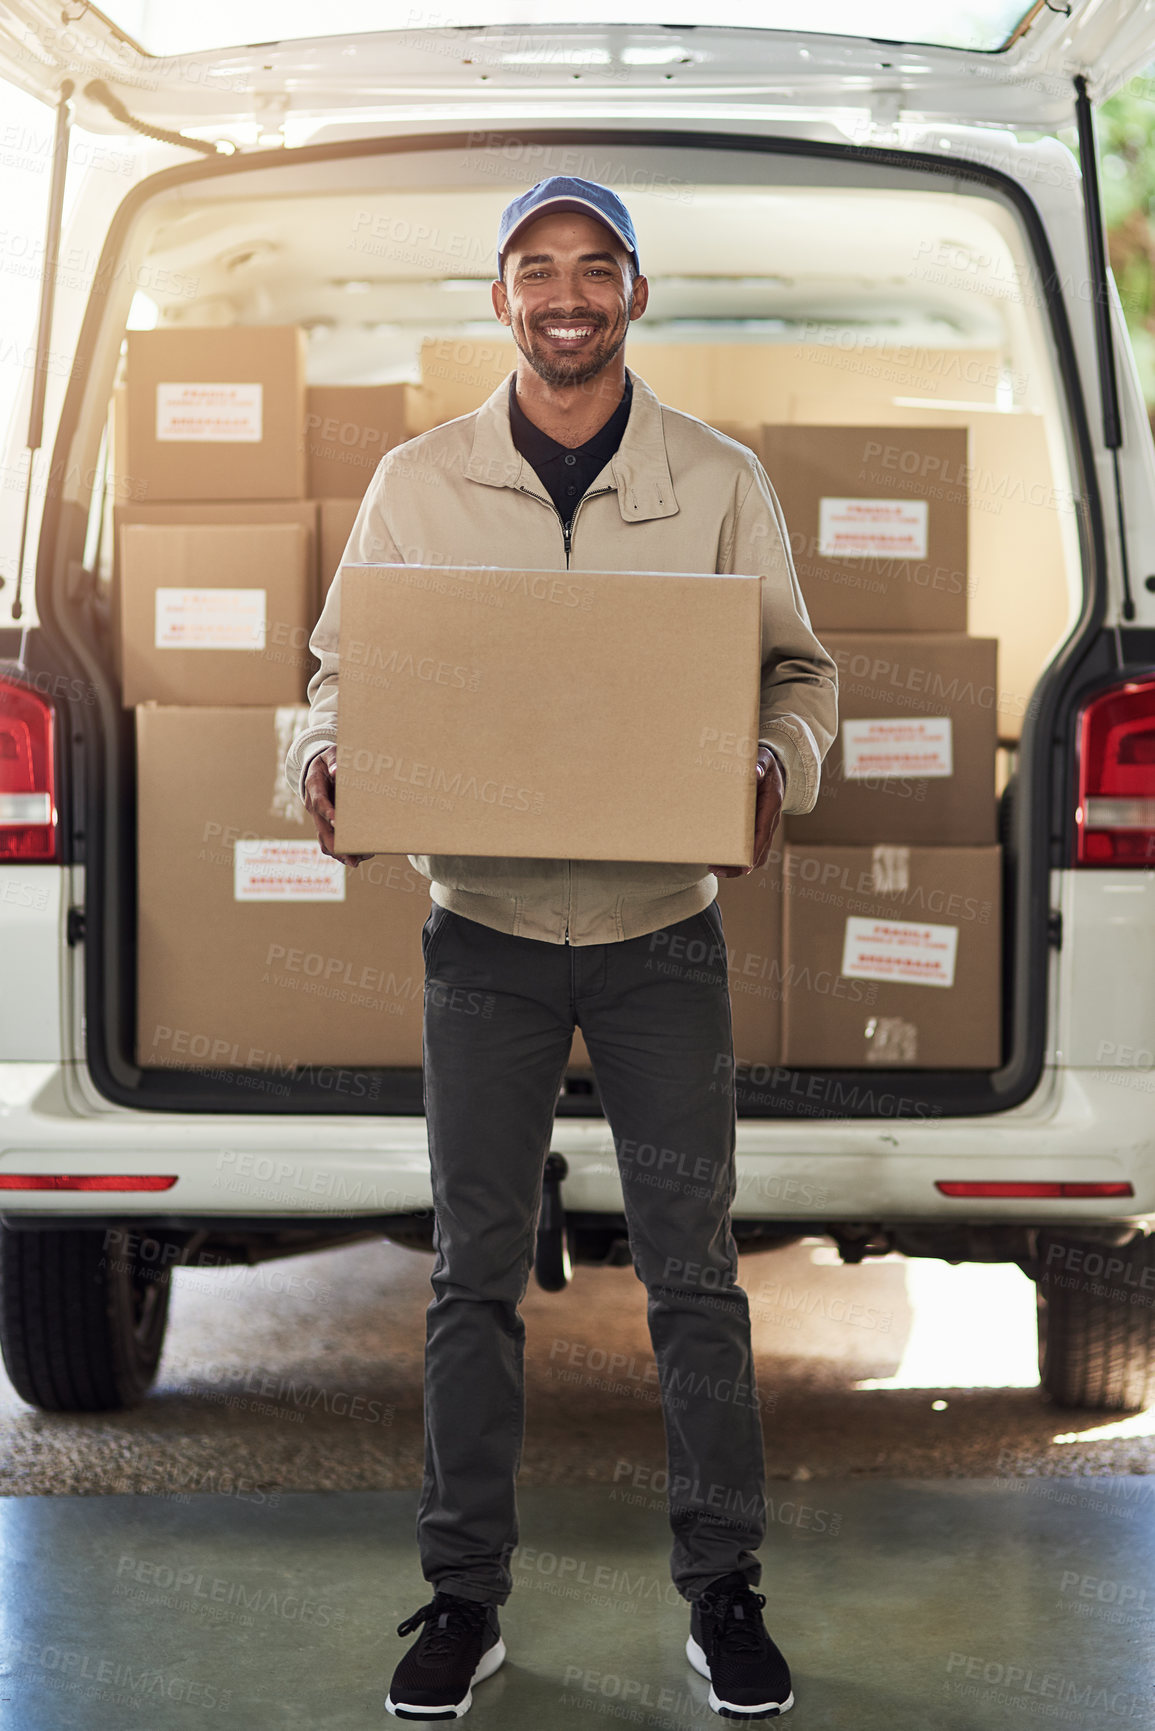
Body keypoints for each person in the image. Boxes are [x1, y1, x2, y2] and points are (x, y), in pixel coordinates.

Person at [286, 175, 837, 1722]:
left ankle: (723, 1590)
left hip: (664, 936)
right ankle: (463, 1600)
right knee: (470, 1277)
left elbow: (799, 669)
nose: (568, 294)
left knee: (694, 1281)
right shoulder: (419, 482)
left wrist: (778, 767)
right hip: (489, 936)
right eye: (539, 270)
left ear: (638, 296)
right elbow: (337, 679)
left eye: (598, 268)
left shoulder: (718, 479)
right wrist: (322, 769)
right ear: (502, 299)